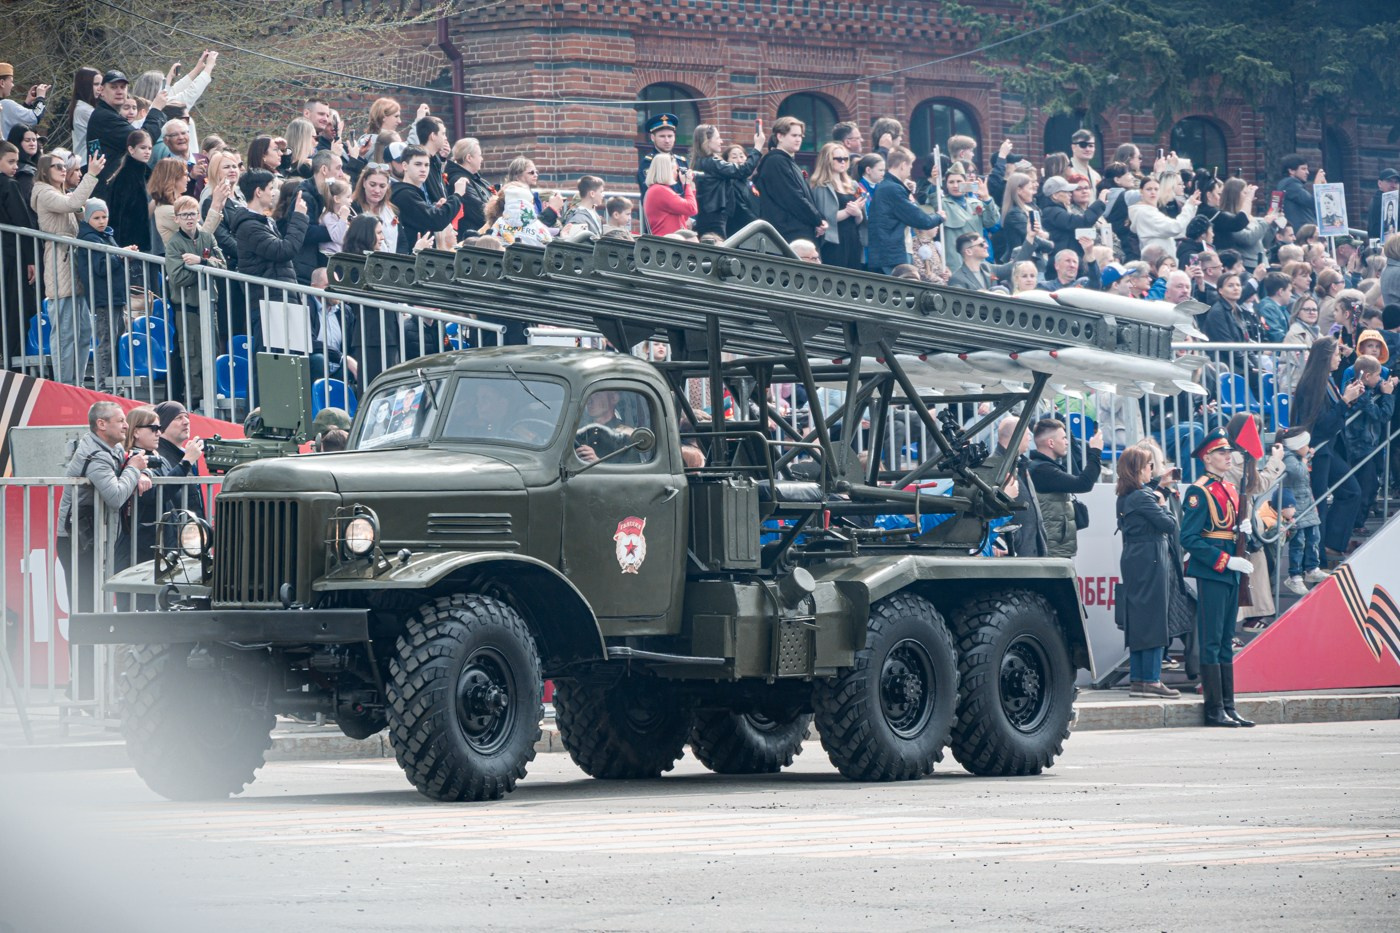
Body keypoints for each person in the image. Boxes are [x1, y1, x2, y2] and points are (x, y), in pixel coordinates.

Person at [57, 401, 152, 696]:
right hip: (79, 543)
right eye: (120, 420)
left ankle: (90, 689)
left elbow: (127, 467)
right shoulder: (96, 455)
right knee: (86, 613)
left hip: (88, 541)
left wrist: (138, 472)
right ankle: (82, 690)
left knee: (92, 612)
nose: (125, 425)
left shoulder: (108, 448)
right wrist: (134, 470)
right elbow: (115, 495)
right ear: (101, 425)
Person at [1180, 428, 1256, 728]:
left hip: (1232, 573)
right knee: (1211, 640)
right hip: (1214, 572)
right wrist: (1226, 561)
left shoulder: (1231, 489)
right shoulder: (1199, 492)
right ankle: (1214, 709)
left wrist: (1245, 530)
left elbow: (1229, 531)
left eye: (1228, 452)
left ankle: (1229, 706)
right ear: (1207, 458)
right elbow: (1189, 538)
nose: (1228, 456)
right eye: (1221, 452)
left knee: (1225, 640)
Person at [1290, 336, 1365, 564]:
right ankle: (1316, 561)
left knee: (1351, 491)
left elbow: (1331, 418)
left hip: (1328, 450)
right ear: (1325, 357)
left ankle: (1332, 545)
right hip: (1316, 451)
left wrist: (1348, 400)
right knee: (1318, 507)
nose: (1339, 358)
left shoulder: (1326, 380)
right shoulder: (1313, 384)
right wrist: (1344, 402)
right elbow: (1321, 425)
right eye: (1336, 354)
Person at [1114, 446, 1180, 698]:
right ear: (1138, 469)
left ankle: (1139, 679)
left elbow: (1144, 494)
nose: (1151, 469)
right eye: (1149, 466)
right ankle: (1151, 680)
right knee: (1154, 618)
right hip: (1151, 557)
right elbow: (1169, 525)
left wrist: (1159, 486)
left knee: (1139, 618)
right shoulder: (1143, 497)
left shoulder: (1125, 496)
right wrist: (1163, 504)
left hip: (1135, 557)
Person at [32, 150, 103, 386]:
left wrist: (80, 208)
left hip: (73, 265)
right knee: (65, 332)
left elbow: (76, 208)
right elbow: (72, 204)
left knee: (83, 331)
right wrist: (91, 175)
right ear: (45, 171)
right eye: (58, 166)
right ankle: (64, 384)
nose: (63, 170)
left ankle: (77, 383)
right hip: (59, 262)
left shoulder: (60, 193)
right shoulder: (43, 192)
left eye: (65, 166)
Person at [165, 195, 227, 405]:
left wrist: (200, 262)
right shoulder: (174, 244)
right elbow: (177, 277)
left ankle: (212, 395)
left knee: (212, 351)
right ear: (176, 219)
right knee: (191, 355)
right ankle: (195, 399)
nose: (189, 219)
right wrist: (205, 270)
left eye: (192, 214)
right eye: (184, 215)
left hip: (209, 306)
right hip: (187, 307)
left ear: (199, 215)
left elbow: (223, 266)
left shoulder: (207, 238)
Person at [76, 198, 133, 394]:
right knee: (107, 341)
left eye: (104, 217)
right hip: (104, 298)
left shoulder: (105, 236)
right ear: (87, 219)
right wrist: (120, 255)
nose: (102, 221)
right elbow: (100, 267)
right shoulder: (90, 239)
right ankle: (104, 385)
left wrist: (122, 255)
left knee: (116, 339)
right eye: (96, 217)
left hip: (115, 296)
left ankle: (113, 383)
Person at [1027, 416, 1103, 559]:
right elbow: (1084, 484)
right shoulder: (1043, 470)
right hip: (1051, 551)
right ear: (1051, 442)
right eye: (1063, 438)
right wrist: (1095, 452)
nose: (1067, 442)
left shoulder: (1042, 467)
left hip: (1054, 547)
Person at [87, 72, 166, 194]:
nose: (119, 91)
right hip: (108, 193)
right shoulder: (104, 117)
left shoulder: (109, 114)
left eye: (123, 87)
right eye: (113, 87)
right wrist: (156, 109)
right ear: (101, 90)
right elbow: (144, 140)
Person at [867, 147, 941, 274]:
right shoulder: (893, 189)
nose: (910, 171)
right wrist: (939, 217)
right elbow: (919, 219)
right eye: (910, 166)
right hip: (893, 254)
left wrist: (906, 190)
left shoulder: (887, 187)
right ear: (903, 165)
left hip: (889, 253)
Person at [755, 116, 825, 245]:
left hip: (797, 231)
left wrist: (818, 220)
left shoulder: (787, 161)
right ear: (780, 136)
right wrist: (818, 220)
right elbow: (793, 198)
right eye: (794, 135)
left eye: (800, 136)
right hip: (787, 234)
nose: (798, 139)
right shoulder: (776, 161)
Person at [0, 140, 39, 359]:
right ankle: (11, 356)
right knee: (14, 306)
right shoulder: (9, 185)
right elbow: (22, 221)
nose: (16, 166)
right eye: (11, 161)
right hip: (10, 253)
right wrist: (30, 258)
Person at [692, 123, 762, 238]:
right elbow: (743, 170)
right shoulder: (711, 162)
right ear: (707, 141)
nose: (721, 141)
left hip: (709, 216)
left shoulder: (701, 162)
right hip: (714, 218)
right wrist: (758, 147)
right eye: (718, 138)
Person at [1278, 427, 1325, 596]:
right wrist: (1305, 459)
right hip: (1296, 507)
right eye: (1306, 444)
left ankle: (1312, 568)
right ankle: (1295, 576)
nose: (1308, 447)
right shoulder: (1288, 457)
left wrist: (1306, 457)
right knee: (1298, 543)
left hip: (1307, 504)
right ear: (1297, 445)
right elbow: (1298, 472)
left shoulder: (1297, 456)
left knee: (1314, 537)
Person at [994, 416, 1046, 556]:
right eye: (1027, 434)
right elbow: (991, 511)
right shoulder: (997, 469)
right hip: (1014, 554)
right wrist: (1011, 541)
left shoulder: (1019, 464)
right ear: (1017, 435)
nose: (1030, 438)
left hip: (1026, 552)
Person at [808, 142, 865, 269]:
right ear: (827, 160)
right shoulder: (821, 186)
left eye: (845, 158)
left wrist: (858, 213)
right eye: (838, 159)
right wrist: (849, 211)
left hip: (853, 238)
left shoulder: (853, 185)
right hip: (833, 240)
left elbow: (859, 220)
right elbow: (825, 218)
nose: (843, 162)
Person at [939, 165, 1000, 273]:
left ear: (966, 183)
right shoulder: (942, 203)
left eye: (959, 181)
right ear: (946, 185)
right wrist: (934, 181)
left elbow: (991, 222)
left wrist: (986, 198)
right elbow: (932, 199)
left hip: (977, 259)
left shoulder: (975, 203)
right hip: (955, 261)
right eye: (951, 182)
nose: (955, 185)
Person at [636, 112, 689, 207]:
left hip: (684, 212)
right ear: (653, 137)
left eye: (670, 136)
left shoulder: (681, 161)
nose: (667, 140)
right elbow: (651, 192)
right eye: (662, 136)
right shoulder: (649, 162)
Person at [446, 137, 493, 239]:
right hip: (472, 239)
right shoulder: (460, 181)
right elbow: (480, 212)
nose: (482, 159)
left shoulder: (476, 179)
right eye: (479, 155)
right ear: (469, 158)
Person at [642, 153, 697, 237]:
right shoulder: (660, 191)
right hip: (667, 241)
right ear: (668, 171)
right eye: (676, 170)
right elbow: (692, 209)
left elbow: (684, 216)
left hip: (669, 239)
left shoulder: (658, 189)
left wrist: (689, 188)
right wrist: (687, 185)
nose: (677, 174)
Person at [0, 63, 49, 140]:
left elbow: (18, 121)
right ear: (2, 83)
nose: (13, 85)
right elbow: (35, 117)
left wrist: (27, 104)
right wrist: (40, 98)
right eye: (11, 81)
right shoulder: (5, 104)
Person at [1277, 154, 1322, 230]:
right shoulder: (1291, 184)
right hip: (1302, 232)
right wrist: (1318, 187)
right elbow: (1313, 202)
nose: (1307, 172)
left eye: (1307, 169)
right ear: (1291, 171)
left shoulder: (1289, 184)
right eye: (1303, 169)